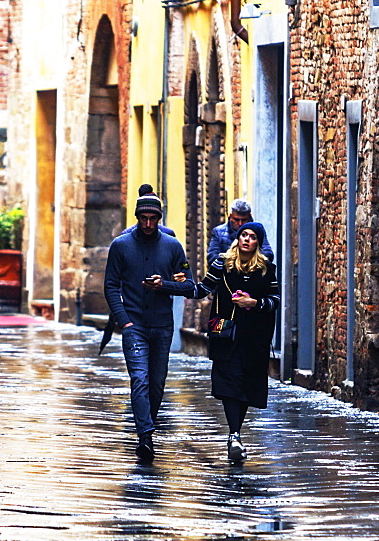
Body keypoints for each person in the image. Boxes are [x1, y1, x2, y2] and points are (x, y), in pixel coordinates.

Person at [159, 220, 279, 464]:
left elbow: (275, 299)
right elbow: (203, 289)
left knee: (246, 384)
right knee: (229, 382)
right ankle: (234, 435)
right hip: (226, 333)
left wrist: (254, 303)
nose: (247, 239)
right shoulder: (222, 263)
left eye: (252, 236)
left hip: (255, 336)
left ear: (258, 241)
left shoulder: (267, 268)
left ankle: (235, 434)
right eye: (243, 235)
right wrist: (178, 286)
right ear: (237, 238)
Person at [103, 185, 194, 462]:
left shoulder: (172, 246)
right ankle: (145, 437)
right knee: (139, 379)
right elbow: (110, 286)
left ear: (159, 218)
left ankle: (148, 427)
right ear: (137, 216)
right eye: (143, 218)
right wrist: (125, 322)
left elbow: (189, 286)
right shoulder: (121, 246)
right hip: (135, 326)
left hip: (163, 326)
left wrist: (164, 285)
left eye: (153, 218)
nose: (148, 223)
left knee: (156, 383)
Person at [207, 198, 274, 267]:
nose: (240, 223)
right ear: (231, 217)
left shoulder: (258, 231)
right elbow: (212, 257)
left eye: (244, 220)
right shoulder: (218, 232)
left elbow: (268, 254)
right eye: (236, 219)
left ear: (249, 217)